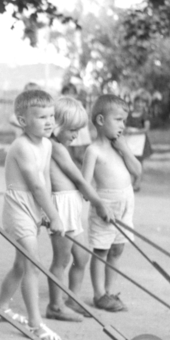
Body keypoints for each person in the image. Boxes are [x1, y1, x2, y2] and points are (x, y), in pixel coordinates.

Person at [0, 88, 64, 340]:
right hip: (18, 210)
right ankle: (36, 324)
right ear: (23, 121)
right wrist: (55, 216)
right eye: (42, 117)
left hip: (33, 208)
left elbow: (45, 180)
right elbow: (35, 185)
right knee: (32, 264)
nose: (49, 121)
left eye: (51, 116)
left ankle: (0, 307)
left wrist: (47, 211)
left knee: (21, 265)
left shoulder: (47, 144)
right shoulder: (22, 146)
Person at [46, 97, 113, 321]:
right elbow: (80, 180)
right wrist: (99, 203)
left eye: (79, 130)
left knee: (82, 257)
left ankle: (72, 299)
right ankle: (55, 305)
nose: (76, 135)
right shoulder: (55, 147)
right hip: (61, 208)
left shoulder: (61, 147)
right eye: (72, 130)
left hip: (71, 207)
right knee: (62, 260)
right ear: (57, 125)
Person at [80, 94, 142, 312]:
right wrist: (98, 204)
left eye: (124, 121)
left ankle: (109, 291)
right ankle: (99, 295)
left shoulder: (119, 147)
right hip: (105, 206)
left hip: (125, 204)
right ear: (100, 120)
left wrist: (124, 148)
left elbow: (137, 172)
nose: (122, 125)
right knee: (101, 250)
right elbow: (84, 185)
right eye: (118, 120)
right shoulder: (93, 151)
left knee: (117, 249)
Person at [123, 93, 151, 191]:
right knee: (128, 159)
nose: (139, 104)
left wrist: (134, 132)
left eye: (142, 102)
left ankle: (137, 182)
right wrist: (126, 130)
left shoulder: (144, 115)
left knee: (139, 161)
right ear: (134, 102)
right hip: (129, 139)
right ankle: (129, 181)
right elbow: (124, 124)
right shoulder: (129, 114)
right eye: (137, 102)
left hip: (139, 141)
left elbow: (146, 129)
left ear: (145, 104)